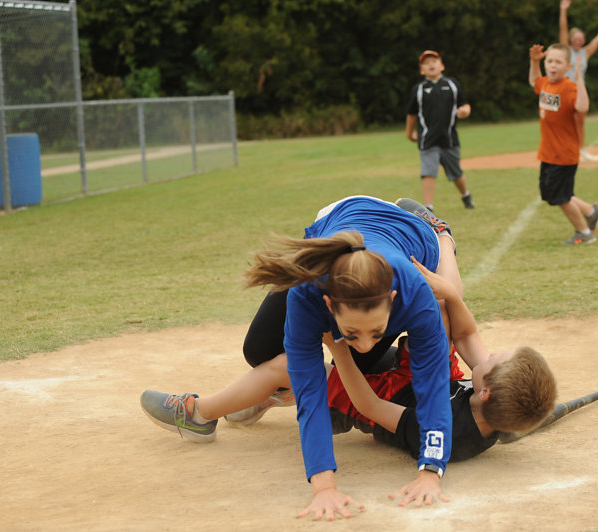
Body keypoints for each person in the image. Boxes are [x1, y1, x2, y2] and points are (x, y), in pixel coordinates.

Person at [140, 256, 557, 514]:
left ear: (485, 392)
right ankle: (440, 234)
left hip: (374, 399)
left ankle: (198, 414)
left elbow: (371, 406)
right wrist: (446, 279)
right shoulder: (500, 414)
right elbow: (465, 335)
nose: (489, 356)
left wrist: (338, 347)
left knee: (284, 367)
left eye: (494, 361)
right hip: (411, 383)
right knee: (441, 310)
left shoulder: (444, 433)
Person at [143, 196, 461, 519]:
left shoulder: (415, 294)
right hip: (341, 218)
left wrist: (430, 471)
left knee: (361, 362)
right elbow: (311, 392)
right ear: (328, 306)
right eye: (351, 333)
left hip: (413, 236)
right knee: (258, 350)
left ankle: (441, 232)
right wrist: (324, 487)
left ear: (393, 301)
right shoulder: (307, 293)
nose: (365, 344)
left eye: (376, 332)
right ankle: (278, 388)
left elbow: (432, 385)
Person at [529, 43, 598, 246]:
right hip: (548, 153)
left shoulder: (569, 87)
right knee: (552, 194)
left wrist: (579, 78)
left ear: (568, 66)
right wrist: (534, 61)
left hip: (564, 155)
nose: (553, 65)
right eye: (549, 61)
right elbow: (534, 81)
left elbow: (582, 106)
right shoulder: (545, 83)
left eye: (558, 62)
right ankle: (591, 211)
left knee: (561, 198)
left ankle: (584, 233)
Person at [406, 50, 475, 212]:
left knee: (456, 173)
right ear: (421, 70)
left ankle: (465, 195)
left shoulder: (452, 84)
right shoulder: (419, 89)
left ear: (442, 66)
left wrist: (465, 111)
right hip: (427, 139)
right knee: (428, 172)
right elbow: (412, 113)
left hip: (449, 139)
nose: (431, 65)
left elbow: (464, 104)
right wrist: (409, 133)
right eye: (426, 63)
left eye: (434, 61)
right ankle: (428, 208)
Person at [559, 0, 598, 162]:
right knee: (566, 122)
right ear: (571, 40)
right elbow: (563, 30)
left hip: (580, 91)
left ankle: (582, 150)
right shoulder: (566, 50)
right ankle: (568, 150)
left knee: (580, 122)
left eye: (581, 39)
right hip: (565, 90)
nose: (578, 41)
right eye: (575, 39)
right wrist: (563, 10)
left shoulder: (585, 52)